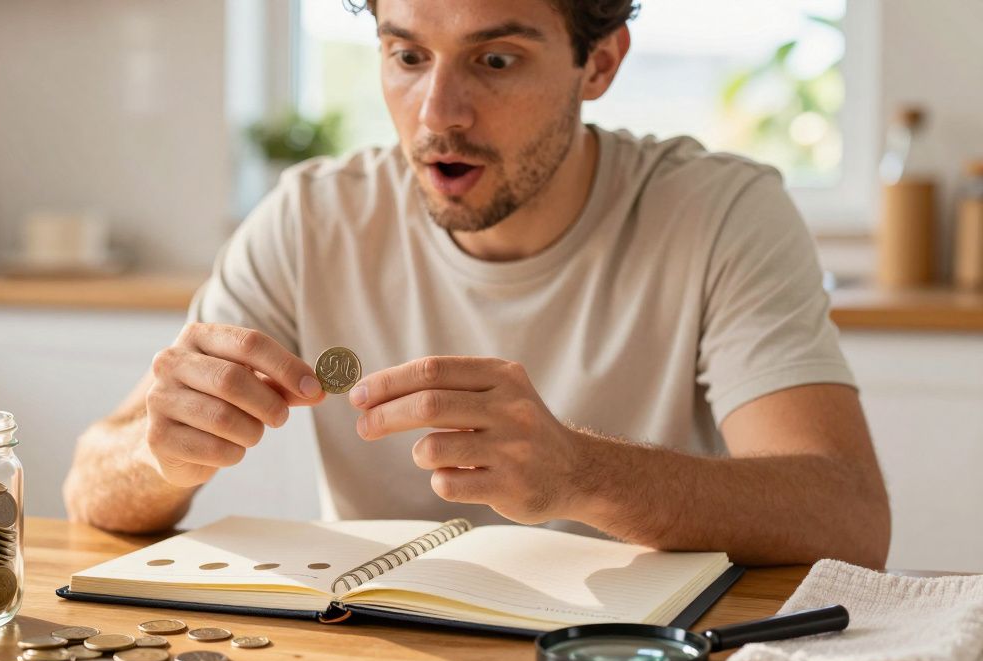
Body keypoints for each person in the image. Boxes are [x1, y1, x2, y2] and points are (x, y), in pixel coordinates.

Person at [62, 0, 890, 568]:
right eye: (407, 55)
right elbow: (91, 490)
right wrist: (157, 451)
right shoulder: (310, 218)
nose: (438, 113)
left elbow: (848, 516)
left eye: (495, 59)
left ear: (598, 62)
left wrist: (581, 474)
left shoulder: (721, 213)